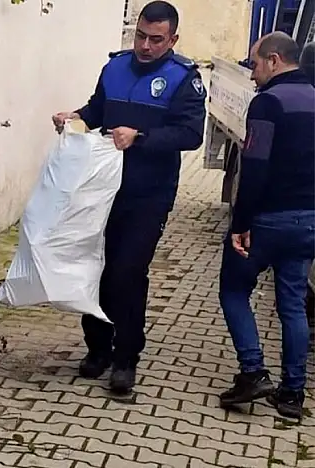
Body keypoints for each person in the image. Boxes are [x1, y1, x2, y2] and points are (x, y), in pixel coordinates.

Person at [51, 0, 206, 394]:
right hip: (101, 190)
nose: (145, 46)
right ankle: (97, 348)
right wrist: (74, 118)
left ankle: (126, 358)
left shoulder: (183, 78)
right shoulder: (114, 67)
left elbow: (191, 134)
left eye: (156, 39)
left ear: (172, 39)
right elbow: (97, 110)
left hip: (148, 196)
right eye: (140, 36)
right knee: (96, 267)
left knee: (127, 274)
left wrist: (140, 138)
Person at [218, 31, 315, 419]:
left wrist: (241, 223)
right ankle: (292, 395)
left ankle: (253, 371)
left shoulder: (268, 103)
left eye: (255, 65)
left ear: (274, 60)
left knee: (233, 289)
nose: (253, 74)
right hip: (309, 222)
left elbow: (255, 168)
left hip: (269, 220)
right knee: (292, 305)